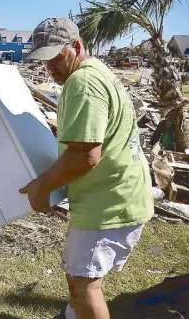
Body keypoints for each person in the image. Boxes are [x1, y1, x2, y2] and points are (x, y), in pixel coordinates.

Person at [20, 18, 153, 319]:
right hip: (114, 196)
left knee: (84, 286)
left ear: (76, 46)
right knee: (80, 276)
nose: (49, 66)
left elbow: (85, 156)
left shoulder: (82, 82)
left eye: (56, 56)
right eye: (43, 60)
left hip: (108, 204)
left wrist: (43, 185)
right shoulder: (96, 71)